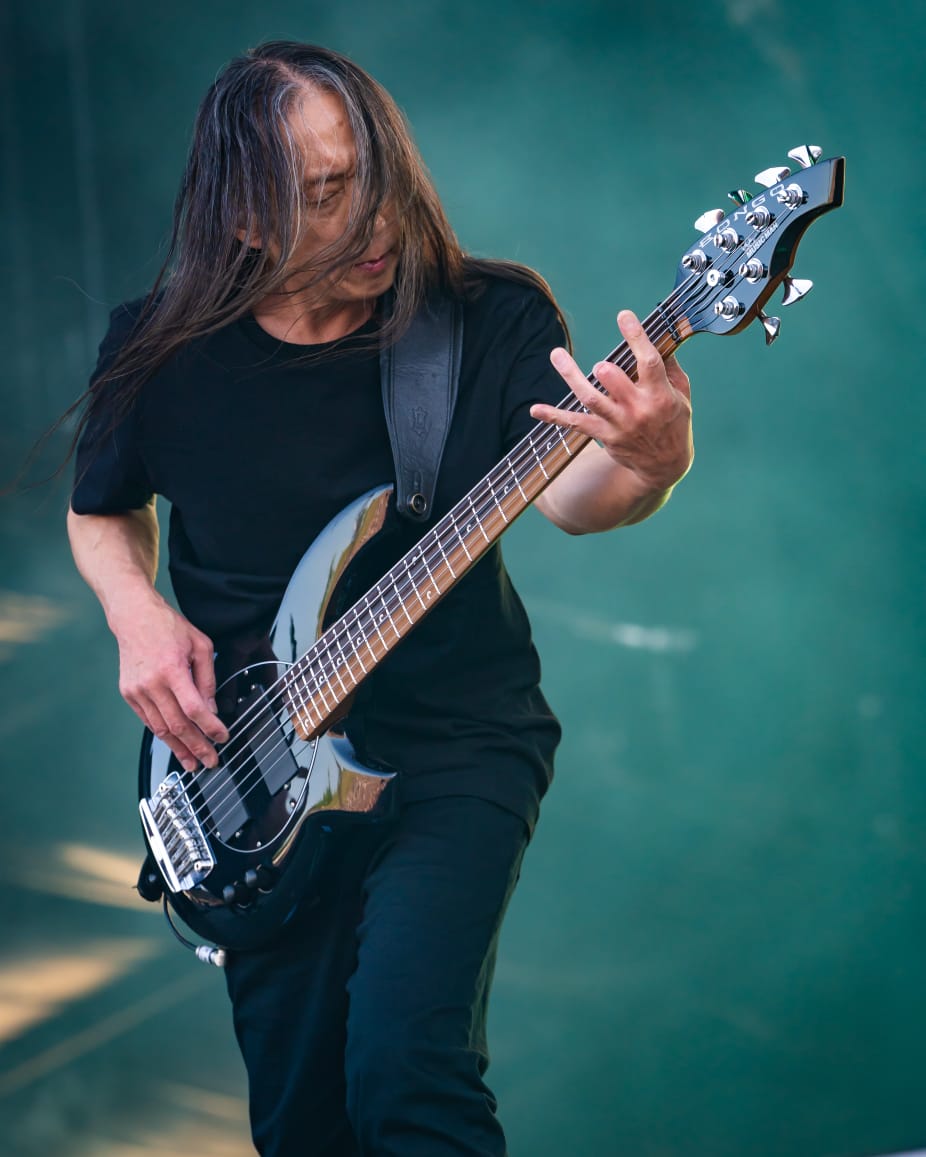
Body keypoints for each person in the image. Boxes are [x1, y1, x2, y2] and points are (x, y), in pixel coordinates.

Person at [67, 41, 693, 1157]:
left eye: (377, 177)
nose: (375, 220)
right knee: (303, 1124)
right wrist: (136, 614)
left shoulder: (484, 315)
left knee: (408, 1073)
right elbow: (100, 507)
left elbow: (569, 494)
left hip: (454, 742)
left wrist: (649, 460)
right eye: (324, 195)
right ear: (244, 218)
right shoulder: (159, 350)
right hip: (250, 782)